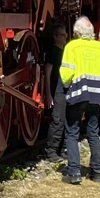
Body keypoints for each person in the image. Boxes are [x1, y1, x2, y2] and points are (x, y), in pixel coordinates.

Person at [60, 16, 100, 184]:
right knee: (93, 130)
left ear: (76, 32)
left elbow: (66, 73)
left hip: (79, 92)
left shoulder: (72, 46)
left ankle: (74, 172)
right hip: (97, 94)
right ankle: (96, 171)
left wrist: (66, 86)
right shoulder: (99, 47)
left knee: (72, 131)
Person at [43, 23, 70, 163]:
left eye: (65, 34)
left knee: (65, 120)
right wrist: (48, 94)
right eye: (63, 35)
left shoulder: (65, 52)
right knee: (57, 120)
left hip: (65, 89)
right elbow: (47, 73)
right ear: (55, 37)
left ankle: (62, 149)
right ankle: (51, 152)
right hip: (56, 90)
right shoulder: (53, 52)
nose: (66, 37)